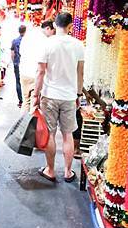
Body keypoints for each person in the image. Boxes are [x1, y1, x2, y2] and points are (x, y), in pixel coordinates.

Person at [33, 13, 84, 183]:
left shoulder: (47, 44)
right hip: (69, 96)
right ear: (70, 26)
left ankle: (51, 170)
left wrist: (35, 94)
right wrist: (78, 94)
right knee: (68, 135)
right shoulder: (78, 45)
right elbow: (80, 72)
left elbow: (40, 72)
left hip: (50, 95)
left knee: (51, 134)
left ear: (54, 25)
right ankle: (68, 172)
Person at [19, 20, 55, 112]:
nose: (53, 34)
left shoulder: (28, 35)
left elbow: (20, 52)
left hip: (24, 72)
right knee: (35, 103)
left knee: (26, 101)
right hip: (36, 74)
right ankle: (32, 125)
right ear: (48, 28)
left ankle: (23, 124)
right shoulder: (45, 40)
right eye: (53, 31)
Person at [10, 24, 26, 107]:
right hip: (25, 63)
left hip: (17, 63)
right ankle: (27, 100)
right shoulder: (27, 41)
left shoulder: (15, 41)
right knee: (27, 82)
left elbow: (12, 54)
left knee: (18, 81)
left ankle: (21, 101)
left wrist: (14, 62)